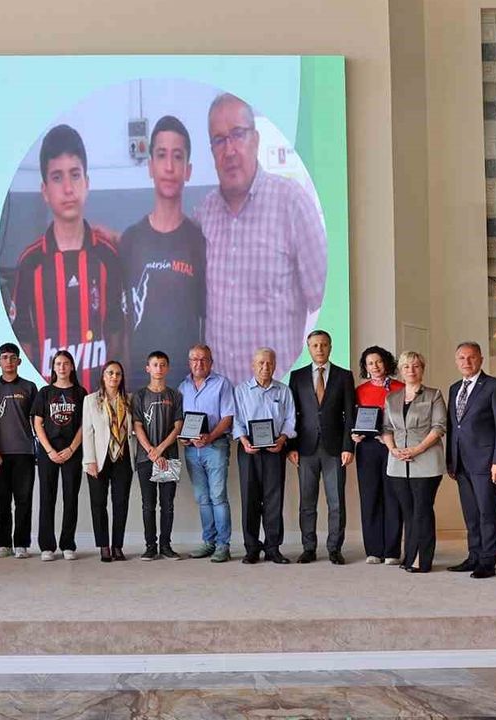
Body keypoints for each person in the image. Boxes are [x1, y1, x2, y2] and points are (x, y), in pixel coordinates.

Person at [193, 93, 327, 383]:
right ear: (212, 151)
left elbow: (323, 297)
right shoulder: (205, 214)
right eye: (219, 140)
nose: (229, 150)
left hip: (275, 393)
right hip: (222, 396)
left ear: (255, 139)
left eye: (238, 134)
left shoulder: (292, 203)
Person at [9, 123, 125, 391]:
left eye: (75, 175)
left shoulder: (107, 257)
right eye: (57, 177)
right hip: (49, 406)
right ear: (45, 190)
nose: (68, 188)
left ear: (87, 183)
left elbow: (118, 337)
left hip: (99, 404)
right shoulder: (30, 263)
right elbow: (23, 343)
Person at [119, 115, 206, 387]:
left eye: (177, 156)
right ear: (150, 166)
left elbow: (205, 322)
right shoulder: (131, 240)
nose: (169, 166)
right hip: (139, 385)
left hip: (187, 388)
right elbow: (122, 326)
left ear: (188, 170)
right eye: (161, 155)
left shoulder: (199, 241)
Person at [288, 330, 356, 565]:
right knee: (307, 503)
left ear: (330, 347)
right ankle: (308, 548)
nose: (320, 349)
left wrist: (348, 447)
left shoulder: (344, 376)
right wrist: (291, 446)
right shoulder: (297, 376)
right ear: (309, 348)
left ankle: (334, 549)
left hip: (335, 449)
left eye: (324, 345)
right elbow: (292, 415)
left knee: (336, 502)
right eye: (315, 345)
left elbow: (350, 415)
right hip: (305, 449)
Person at [446, 341, 496, 578]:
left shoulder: (494, 387)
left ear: (481, 359)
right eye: (462, 358)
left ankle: (487, 561)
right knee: (471, 514)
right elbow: (453, 427)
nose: (467, 362)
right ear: (456, 361)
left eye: (471, 357)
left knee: (487, 513)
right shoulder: (454, 388)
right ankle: (473, 556)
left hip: (485, 462)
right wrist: (450, 460)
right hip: (461, 462)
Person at [379, 351, 447, 573]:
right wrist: (393, 450)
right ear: (400, 370)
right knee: (408, 512)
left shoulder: (434, 395)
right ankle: (409, 557)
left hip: (426, 461)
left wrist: (417, 450)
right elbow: (386, 428)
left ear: (422, 369)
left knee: (422, 510)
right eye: (406, 366)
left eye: (416, 366)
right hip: (398, 463)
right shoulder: (391, 398)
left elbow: (439, 427)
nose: (411, 370)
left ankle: (422, 560)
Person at [233, 348, 297, 565]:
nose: (265, 367)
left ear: (275, 365)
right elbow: (236, 419)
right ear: (253, 365)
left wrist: (282, 439)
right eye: (260, 363)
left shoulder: (284, 391)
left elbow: (290, 419)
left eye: (269, 363)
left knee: (273, 500)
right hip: (248, 449)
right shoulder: (241, 390)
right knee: (249, 499)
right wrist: (243, 440)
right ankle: (251, 548)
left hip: (275, 449)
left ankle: (273, 548)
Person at [177, 344, 236, 563]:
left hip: (215, 447)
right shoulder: (183, 387)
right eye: (194, 359)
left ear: (211, 362)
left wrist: (209, 437)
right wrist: (183, 437)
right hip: (192, 450)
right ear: (189, 363)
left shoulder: (222, 383)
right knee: (202, 498)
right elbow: (180, 420)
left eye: (203, 359)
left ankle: (223, 545)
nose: (199, 363)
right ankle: (208, 542)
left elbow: (227, 417)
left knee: (218, 497)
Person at [32, 349, 87, 561]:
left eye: (65, 363)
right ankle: (47, 546)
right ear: (53, 368)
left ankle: (68, 544)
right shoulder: (45, 392)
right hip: (49, 452)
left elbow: (84, 424)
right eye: (58, 364)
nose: (62, 367)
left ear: (72, 366)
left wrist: (72, 448)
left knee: (70, 498)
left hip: (72, 451)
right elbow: (38, 423)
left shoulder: (80, 393)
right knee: (47, 498)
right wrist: (49, 450)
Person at [352, 346, 404, 565]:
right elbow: (352, 419)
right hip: (367, 449)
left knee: (393, 497)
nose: (375, 366)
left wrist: (391, 439)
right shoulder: (359, 390)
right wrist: (354, 434)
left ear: (387, 363)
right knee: (370, 497)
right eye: (370, 363)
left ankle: (392, 551)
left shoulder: (401, 388)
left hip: (393, 448)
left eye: (379, 362)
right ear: (365, 367)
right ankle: (373, 550)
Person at [81, 360, 137, 562]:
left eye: (118, 374)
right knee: (98, 503)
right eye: (110, 373)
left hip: (123, 457)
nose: (114, 377)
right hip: (99, 458)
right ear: (103, 376)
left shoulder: (130, 400)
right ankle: (104, 546)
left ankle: (117, 546)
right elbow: (87, 433)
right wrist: (90, 460)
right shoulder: (91, 400)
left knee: (121, 503)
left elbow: (136, 428)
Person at [131, 351, 184, 561]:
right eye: (155, 364)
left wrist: (160, 449)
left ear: (167, 368)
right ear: (148, 368)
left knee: (167, 504)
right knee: (148, 504)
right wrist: (151, 451)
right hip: (146, 458)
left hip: (168, 457)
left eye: (163, 365)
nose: (159, 368)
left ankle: (166, 545)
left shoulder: (175, 396)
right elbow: (137, 425)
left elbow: (178, 426)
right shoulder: (139, 396)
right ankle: (150, 546)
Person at [0, 343, 38, 559]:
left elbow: (37, 421)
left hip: (25, 452)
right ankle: (4, 544)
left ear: (19, 361)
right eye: (5, 357)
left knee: (24, 500)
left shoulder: (30, 387)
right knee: (1, 501)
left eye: (12, 357)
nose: (8, 361)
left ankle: (22, 544)